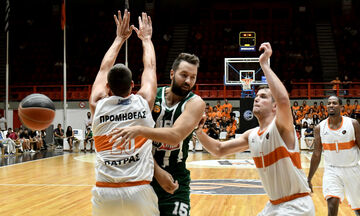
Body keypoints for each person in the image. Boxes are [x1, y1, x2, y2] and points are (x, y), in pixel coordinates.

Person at [193, 43, 315, 215]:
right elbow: (219, 150)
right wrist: (198, 132)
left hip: (296, 205)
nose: (256, 99)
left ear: (274, 107)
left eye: (263, 97)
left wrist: (264, 65)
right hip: (274, 205)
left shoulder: (281, 127)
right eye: (256, 96)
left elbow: (283, 100)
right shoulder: (251, 135)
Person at [109, 52, 204, 215]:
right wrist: (157, 171)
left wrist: (140, 130)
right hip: (143, 175)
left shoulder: (195, 103)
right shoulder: (150, 97)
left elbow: (176, 135)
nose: (188, 81)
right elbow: (135, 142)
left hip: (176, 179)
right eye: (184, 75)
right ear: (172, 74)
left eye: (193, 77)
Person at [89, 10, 159, 215]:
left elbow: (103, 70)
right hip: (139, 189)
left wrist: (119, 39)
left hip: (105, 191)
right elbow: (151, 67)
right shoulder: (144, 102)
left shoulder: (97, 104)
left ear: (107, 87)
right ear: (133, 85)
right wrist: (146, 39)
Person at [307, 96, 360, 216]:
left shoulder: (352, 124)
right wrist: (309, 178)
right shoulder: (319, 127)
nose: (331, 105)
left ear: (341, 107)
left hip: (352, 169)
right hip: (332, 170)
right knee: (332, 203)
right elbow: (316, 154)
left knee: (358, 208)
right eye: (329, 103)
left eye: (334, 103)